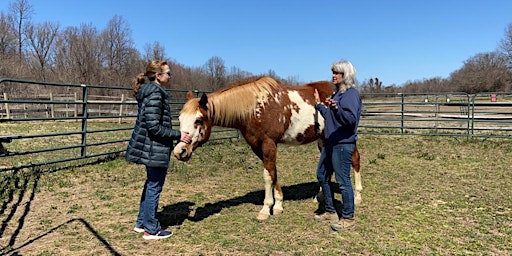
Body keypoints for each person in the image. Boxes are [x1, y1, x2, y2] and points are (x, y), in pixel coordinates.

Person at [125, 60, 191, 240]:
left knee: (150, 184)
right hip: (155, 148)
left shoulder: (151, 92)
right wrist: (178, 135)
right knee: (154, 186)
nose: (170, 76)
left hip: (152, 147)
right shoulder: (155, 94)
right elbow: (154, 126)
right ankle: (151, 230)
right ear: (158, 76)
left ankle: (142, 222)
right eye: (168, 73)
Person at [313, 60, 362, 231]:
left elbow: (350, 120)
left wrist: (337, 110)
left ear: (345, 75)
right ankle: (330, 211)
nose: (333, 75)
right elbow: (331, 116)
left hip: (343, 144)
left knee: (343, 181)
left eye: (337, 72)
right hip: (331, 143)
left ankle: (348, 218)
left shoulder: (351, 95)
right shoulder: (337, 94)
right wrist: (320, 105)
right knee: (322, 175)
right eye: (333, 72)